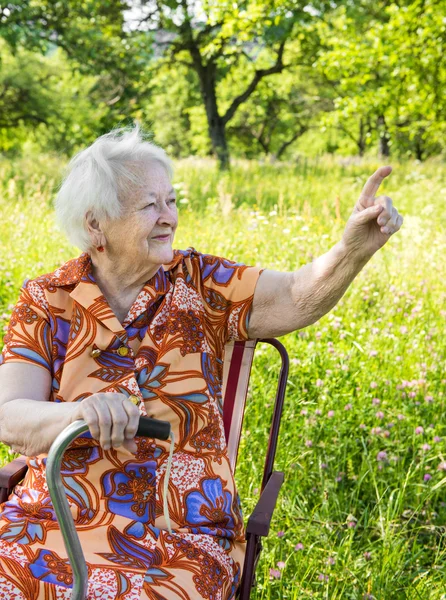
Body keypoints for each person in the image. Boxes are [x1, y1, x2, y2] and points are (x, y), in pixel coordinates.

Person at [0, 123, 403, 599]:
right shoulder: (48, 299)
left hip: (178, 534)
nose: (169, 217)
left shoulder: (202, 282)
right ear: (95, 224)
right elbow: (10, 414)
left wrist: (350, 252)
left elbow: (296, 297)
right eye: (150, 205)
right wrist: (78, 413)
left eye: (171, 201)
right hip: (56, 517)